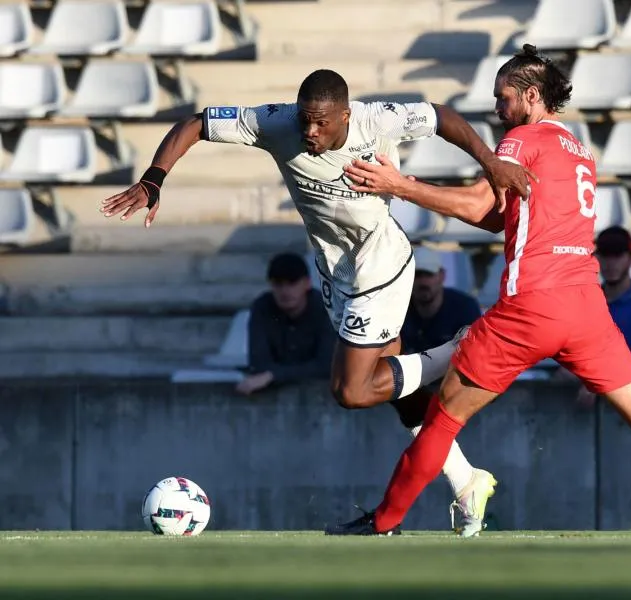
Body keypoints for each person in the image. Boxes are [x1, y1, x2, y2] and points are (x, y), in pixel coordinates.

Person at [327, 45, 631, 538]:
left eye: (503, 97)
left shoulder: (522, 140)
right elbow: (497, 218)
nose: (496, 108)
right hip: (587, 309)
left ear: (531, 97)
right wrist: (418, 189)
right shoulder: (579, 151)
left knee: (442, 420)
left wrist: (398, 186)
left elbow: (476, 202)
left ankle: (383, 523)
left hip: (532, 305)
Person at [99, 69, 530, 534]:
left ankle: (456, 350)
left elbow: (442, 116)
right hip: (334, 272)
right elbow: (195, 124)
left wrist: (490, 162)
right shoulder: (276, 124)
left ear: (345, 115)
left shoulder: (377, 121)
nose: (309, 132)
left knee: (352, 391)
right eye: (305, 120)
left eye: (321, 123)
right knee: (400, 394)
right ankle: (467, 482)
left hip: (378, 265)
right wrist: (153, 179)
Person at [565, 226, 631, 407]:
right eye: (605, 255)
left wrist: (599, 379)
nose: (611, 263)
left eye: (618, 256)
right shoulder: (585, 304)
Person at [236, 252, 334, 396]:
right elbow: (258, 363)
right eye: (278, 285)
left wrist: (273, 375)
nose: (285, 291)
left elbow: (327, 364)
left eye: (292, 283)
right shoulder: (262, 307)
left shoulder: (327, 308)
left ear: (307, 283)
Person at [401, 246, 482, 354]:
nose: (423, 282)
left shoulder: (465, 308)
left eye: (429, 274)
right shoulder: (396, 309)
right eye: (418, 275)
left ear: (442, 276)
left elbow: (474, 353)